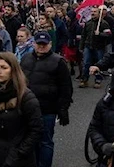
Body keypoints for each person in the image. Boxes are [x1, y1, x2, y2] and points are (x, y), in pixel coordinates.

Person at [0, 52, 43, 167]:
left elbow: (36, 129)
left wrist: (19, 153)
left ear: (13, 70)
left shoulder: (26, 97)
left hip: (16, 158)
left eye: (4, 67)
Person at [20, 31, 73, 167]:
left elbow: (66, 87)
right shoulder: (25, 58)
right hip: (26, 109)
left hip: (47, 109)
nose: (41, 47)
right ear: (33, 43)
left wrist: (63, 108)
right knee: (28, 141)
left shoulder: (58, 61)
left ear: (50, 44)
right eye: (39, 44)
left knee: (45, 142)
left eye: (44, 44)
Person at [79, 7, 111, 89]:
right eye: (92, 11)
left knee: (99, 64)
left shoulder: (104, 23)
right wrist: (81, 46)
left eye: (95, 12)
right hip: (88, 45)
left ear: (99, 13)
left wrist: (100, 34)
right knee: (86, 63)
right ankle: (84, 80)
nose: (93, 13)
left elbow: (109, 35)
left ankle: (98, 80)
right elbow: (83, 35)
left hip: (99, 47)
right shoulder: (88, 23)